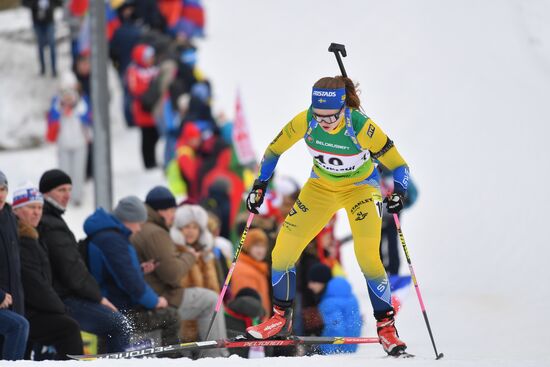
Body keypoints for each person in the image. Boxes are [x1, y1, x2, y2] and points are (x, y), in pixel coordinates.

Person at [245, 76, 411, 356]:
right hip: (320, 188)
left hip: (360, 190)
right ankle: (279, 317)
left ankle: (386, 327)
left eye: (331, 117)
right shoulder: (306, 120)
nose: (324, 123)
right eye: (319, 117)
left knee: (368, 256)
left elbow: (400, 166)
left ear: (343, 108)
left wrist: (399, 192)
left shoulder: (361, 126)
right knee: (283, 251)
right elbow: (274, 150)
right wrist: (260, 184)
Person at [37, 169, 130, 352]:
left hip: (58, 296)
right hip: (62, 299)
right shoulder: (51, 224)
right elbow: (71, 270)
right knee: (119, 325)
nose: (67, 195)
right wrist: (99, 297)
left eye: (69, 189)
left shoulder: (53, 220)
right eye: (61, 190)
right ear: (46, 193)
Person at [83, 196, 179, 347]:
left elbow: (116, 272)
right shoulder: (113, 240)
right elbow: (131, 283)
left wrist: (139, 269)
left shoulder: (107, 234)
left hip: (111, 302)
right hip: (118, 308)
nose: (139, 229)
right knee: (171, 316)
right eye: (138, 223)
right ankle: (169, 359)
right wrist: (155, 301)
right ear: (128, 219)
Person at [13, 182, 83, 360]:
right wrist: (60, 308)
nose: (37, 212)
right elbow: (33, 283)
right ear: (16, 210)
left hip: (34, 308)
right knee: (69, 327)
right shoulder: (21, 238)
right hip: (25, 310)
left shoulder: (34, 235)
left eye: (39, 207)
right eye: (31, 207)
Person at [170, 204, 228, 354]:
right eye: (186, 227)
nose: (190, 231)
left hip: (206, 324)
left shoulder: (207, 255)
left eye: (195, 227)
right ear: (179, 229)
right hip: (179, 327)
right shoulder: (171, 252)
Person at [45, 71, 92, 206]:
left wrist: (75, 109)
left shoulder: (82, 101)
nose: (68, 95)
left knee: (78, 171)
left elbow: (88, 117)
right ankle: (62, 198)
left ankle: (77, 196)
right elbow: (52, 118)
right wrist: (61, 110)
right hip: (63, 143)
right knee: (63, 173)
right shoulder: (56, 102)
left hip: (80, 143)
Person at [0, 171, 29, 361]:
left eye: (3, 189)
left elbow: (14, 265)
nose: (1, 194)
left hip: (11, 301)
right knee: (18, 326)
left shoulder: (9, 216)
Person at [306, 263, 362, 355]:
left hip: (337, 352)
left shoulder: (329, 302)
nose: (310, 286)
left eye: (313, 282)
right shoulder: (350, 296)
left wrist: (323, 349)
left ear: (322, 282)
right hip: (350, 348)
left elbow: (336, 329)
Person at [230, 228, 271, 317]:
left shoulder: (257, 267)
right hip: (252, 323)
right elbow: (246, 305)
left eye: (263, 246)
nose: (260, 250)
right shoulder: (244, 270)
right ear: (248, 246)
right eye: (256, 246)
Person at [23, 0, 61, 76]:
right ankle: (43, 69)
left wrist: (50, 5)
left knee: (52, 45)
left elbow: (59, 3)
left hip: (49, 21)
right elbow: (25, 3)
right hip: (37, 22)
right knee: (40, 46)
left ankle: (54, 69)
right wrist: (36, 4)